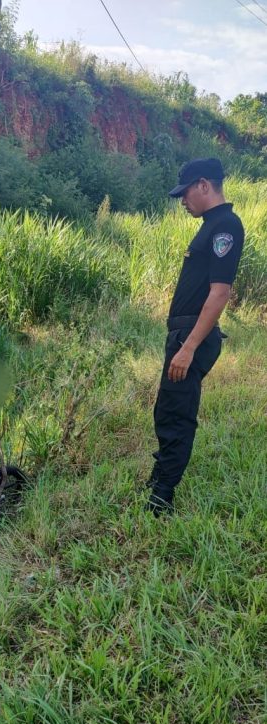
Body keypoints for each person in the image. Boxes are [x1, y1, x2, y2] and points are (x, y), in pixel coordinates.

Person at [147, 157, 244, 515]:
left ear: (204, 185)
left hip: (192, 337)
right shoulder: (211, 225)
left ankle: (162, 498)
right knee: (166, 409)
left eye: (185, 193)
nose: (182, 201)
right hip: (183, 334)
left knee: (176, 415)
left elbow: (219, 293)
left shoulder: (225, 227)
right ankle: (159, 477)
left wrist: (189, 347)